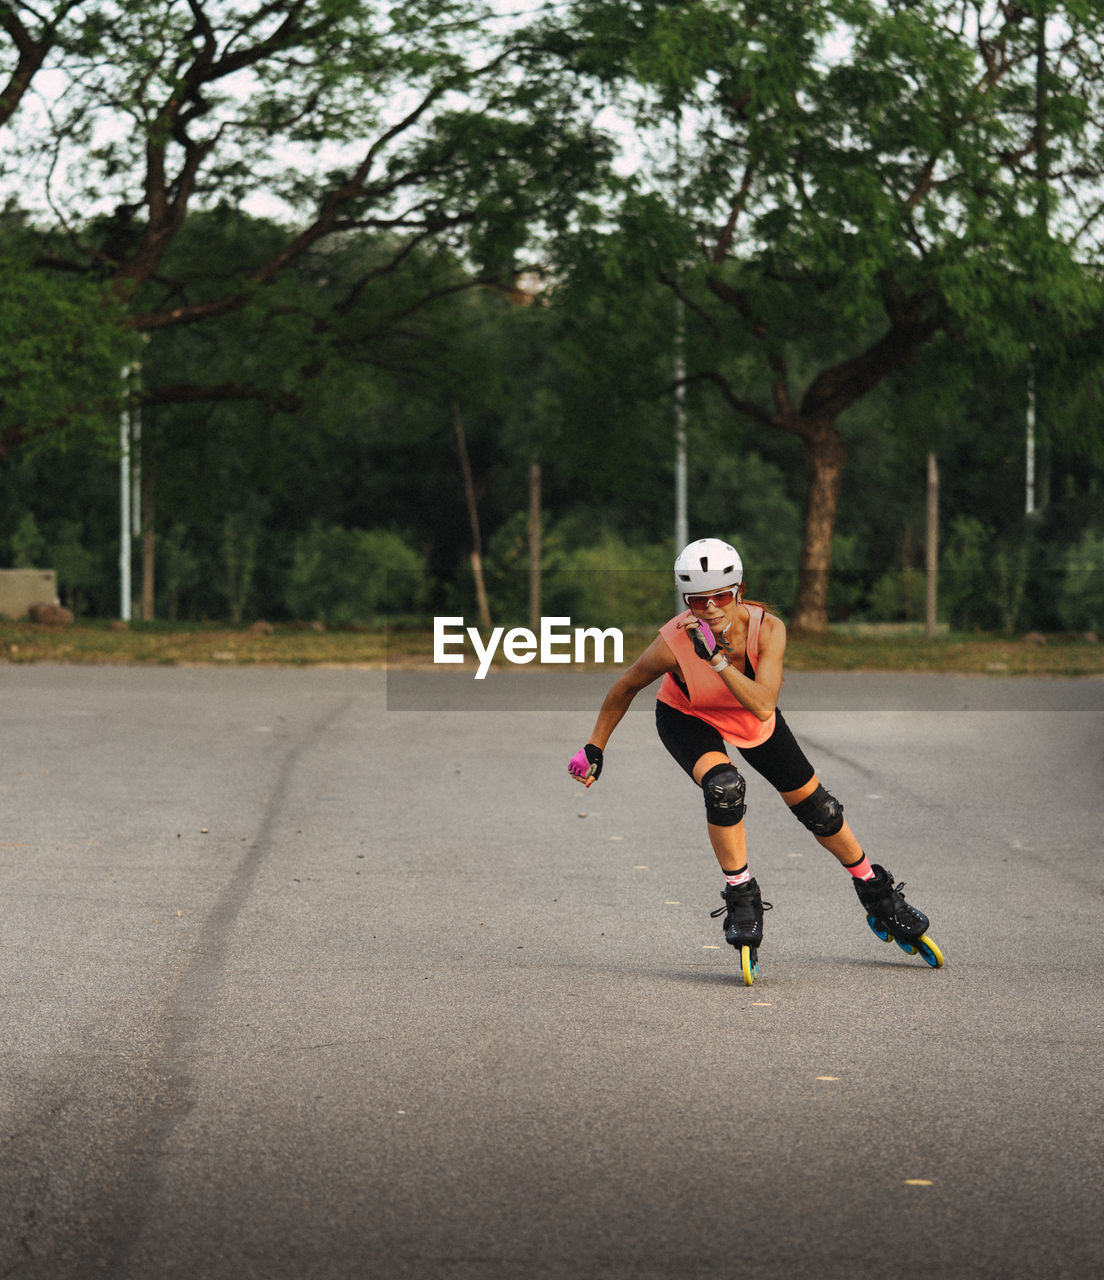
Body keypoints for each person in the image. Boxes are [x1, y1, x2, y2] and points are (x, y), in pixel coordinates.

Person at [567, 537, 941, 979]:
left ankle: (876, 892)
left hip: (749, 713)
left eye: (720, 596)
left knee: (820, 809)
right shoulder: (674, 642)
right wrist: (595, 745)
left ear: (738, 591)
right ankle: (740, 895)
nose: (710, 609)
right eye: (697, 600)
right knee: (724, 788)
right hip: (688, 716)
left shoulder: (769, 630)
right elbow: (626, 686)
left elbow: (763, 705)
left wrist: (720, 663)